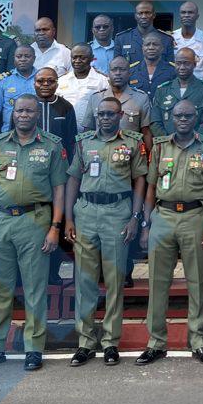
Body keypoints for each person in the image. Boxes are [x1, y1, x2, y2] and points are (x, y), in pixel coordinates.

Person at [0, 95, 66, 372]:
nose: (23, 115)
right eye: (19, 110)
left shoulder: (51, 146)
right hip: (0, 221)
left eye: (29, 111)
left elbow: (59, 189)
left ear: (38, 114)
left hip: (35, 221)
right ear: (12, 114)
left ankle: (34, 347)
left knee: (35, 289)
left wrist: (55, 228)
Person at [136, 99, 203, 366]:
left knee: (197, 283)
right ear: (172, 118)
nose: (183, 119)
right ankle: (156, 342)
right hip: (162, 217)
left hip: (196, 217)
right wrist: (146, 224)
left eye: (188, 115)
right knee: (157, 283)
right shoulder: (161, 146)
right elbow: (151, 186)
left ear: (195, 117)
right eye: (178, 116)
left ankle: (199, 341)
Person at [65, 96, 147, 368]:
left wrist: (135, 217)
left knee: (114, 282)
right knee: (85, 281)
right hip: (86, 211)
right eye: (101, 114)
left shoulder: (132, 142)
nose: (105, 118)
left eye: (110, 114)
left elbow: (139, 181)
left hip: (117, 213)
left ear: (120, 114)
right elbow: (73, 178)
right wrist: (68, 218)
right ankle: (85, 342)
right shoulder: (83, 141)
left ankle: (111, 342)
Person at [147, 46, 203, 140]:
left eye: (186, 63)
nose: (182, 67)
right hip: (167, 147)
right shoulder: (162, 90)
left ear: (194, 64)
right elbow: (155, 122)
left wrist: (192, 142)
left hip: (196, 147)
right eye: (178, 63)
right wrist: (169, 141)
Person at [0, 42, 36, 136]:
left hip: (38, 135)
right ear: (14, 59)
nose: (23, 59)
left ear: (34, 58)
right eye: (19, 56)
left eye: (27, 56)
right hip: (8, 135)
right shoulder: (3, 80)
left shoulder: (42, 79)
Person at [33, 66, 79, 162]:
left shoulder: (66, 107)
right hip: (31, 158)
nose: (45, 84)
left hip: (59, 160)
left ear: (57, 84)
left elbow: (72, 140)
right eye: (40, 81)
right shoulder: (25, 105)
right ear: (34, 84)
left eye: (51, 81)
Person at [60, 43, 110, 129]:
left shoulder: (103, 81)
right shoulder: (61, 81)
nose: (77, 61)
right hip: (65, 130)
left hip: (91, 132)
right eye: (74, 57)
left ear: (91, 58)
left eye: (82, 58)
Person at [100, 55, 151, 137]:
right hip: (102, 148)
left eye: (122, 69)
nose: (118, 73)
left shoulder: (141, 98)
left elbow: (146, 132)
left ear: (130, 73)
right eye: (114, 70)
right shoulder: (96, 98)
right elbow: (89, 132)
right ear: (108, 73)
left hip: (130, 148)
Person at [115, 0, 175, 66]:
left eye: (147, 13)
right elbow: (117, 66)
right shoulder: (122, 38)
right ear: (135, 16)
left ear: (154, 15)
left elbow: (170, 67)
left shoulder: (166, 39)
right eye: (140, 13)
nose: (144, 16)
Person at [128, 31, 176, 99]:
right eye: (147, 44)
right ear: (142, 48)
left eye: (155, 44)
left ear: (162, 48)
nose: (151, 47)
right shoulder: (131, 70)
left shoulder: (172, 70)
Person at [172, 0, 203, 73]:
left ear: (197, 16)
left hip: (198, 83)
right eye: (183, 12)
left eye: (190, 12)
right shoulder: (171, 38)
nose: (186, 15)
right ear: (180, 15)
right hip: (176, 83)